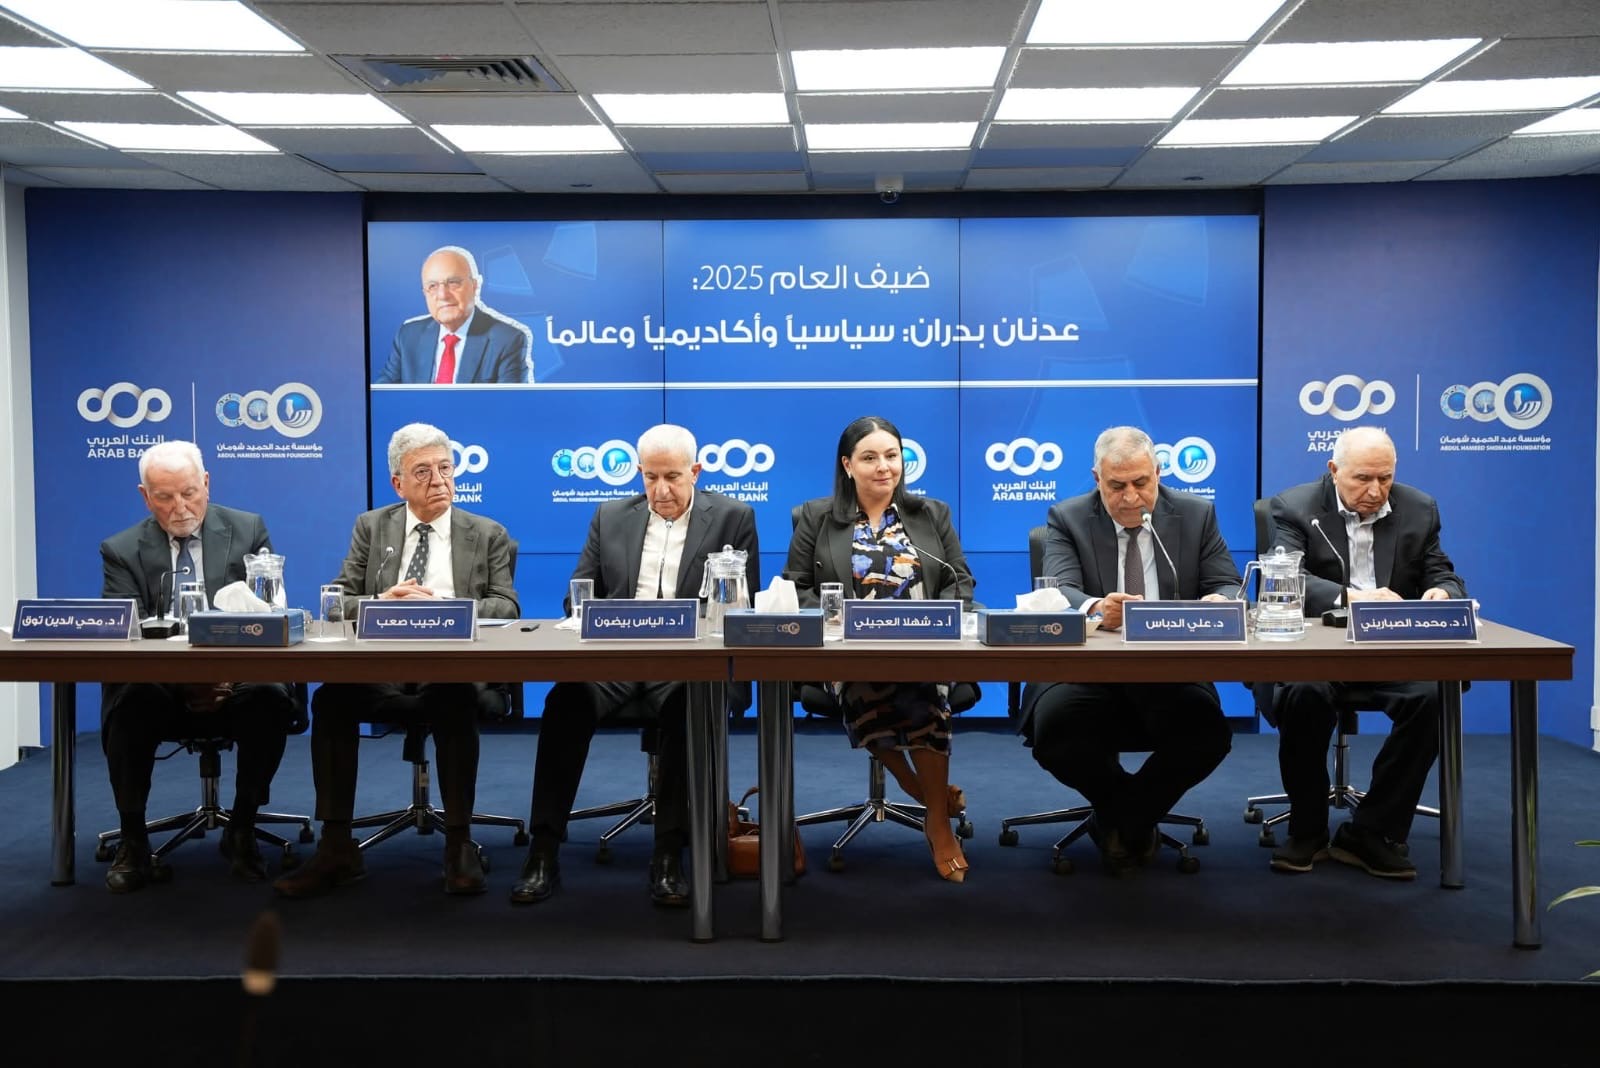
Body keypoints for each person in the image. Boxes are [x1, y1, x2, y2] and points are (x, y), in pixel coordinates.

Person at [513, 424, 759, 908]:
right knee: (565, 701)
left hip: (689, 664)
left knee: (690, 703)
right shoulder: (610, 516)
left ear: (696, 471)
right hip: (616, 661)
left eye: (672, 477)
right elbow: (576, 596)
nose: (661, 490)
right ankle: (543, 850)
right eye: (650, 477)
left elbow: (741, 606)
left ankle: (668, 854)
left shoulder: (733, 517)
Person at [273, 423, 520, 898]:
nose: (438, 481)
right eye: (422, 472)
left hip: (450, 669)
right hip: (380, 671)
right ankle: (336, 846)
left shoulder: (487, 533)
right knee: (332, 700)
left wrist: (445, 607)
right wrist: (381, 601)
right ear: (397, 484)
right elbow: (337, 602)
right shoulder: (372, 528)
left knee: (454, 698)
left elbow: (507, 608)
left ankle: (459, 843)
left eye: (445, 468)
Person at [1014, 425, 1238, 876]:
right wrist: (1097, 607)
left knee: (1207, 734)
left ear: (1158, 473)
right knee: (1055, 732)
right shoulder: (1068, 517)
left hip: (1169, 671)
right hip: (1084, 672)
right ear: (1097, 478)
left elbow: (1226, 582)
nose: (1131, 497)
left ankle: (1122, 821)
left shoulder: (1196, 514)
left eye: (1141, 482)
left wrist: (1221, 599)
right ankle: (1135, 820)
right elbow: (1058, 591)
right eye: (1117, 486)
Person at [1265, 425, 1466, 879]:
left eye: (1385, 478)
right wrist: (1353, 597)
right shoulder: (1296, 508)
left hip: (1389, 650)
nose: (1375, 491)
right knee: (1303, 693)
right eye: (1362, 479)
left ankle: (1373, 832)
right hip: (1319, 651)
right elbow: (1285, 579)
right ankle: (1307, 829)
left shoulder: (1419, 509)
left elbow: (1442, 571)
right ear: (1334, 470)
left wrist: (1441, 592)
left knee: (1433, 697)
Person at [98, 441, 299, 892]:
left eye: (189, 493)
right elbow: (127, 634)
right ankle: (133, 839)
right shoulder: (121, 550)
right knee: (132, 699)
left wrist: (222, 676)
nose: (180, 507)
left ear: (206, 484)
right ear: (145, 496)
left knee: (268, 695)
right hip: (161, 686)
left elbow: (267, 615)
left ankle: (242, 826)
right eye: (165, 497)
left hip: (236, 680)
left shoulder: (247, 530)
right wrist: (184, 681)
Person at [784, 415, 976, 883]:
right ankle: (926, 798)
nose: (884, 466)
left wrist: (939, 620)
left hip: (923, 648)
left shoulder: (930, 514)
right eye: (869, 457)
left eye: (892, 456)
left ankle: (934, 818)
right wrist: (835, 620)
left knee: (922, 687)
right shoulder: (816, 517)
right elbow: (796, 588)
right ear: (848, 465)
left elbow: (959, 582)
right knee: (864, 683)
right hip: (846, 651)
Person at [375, 245, 533, 384]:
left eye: (453, 283)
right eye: (432, 286)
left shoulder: (507, 340)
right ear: (425, 293)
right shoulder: (408, 336)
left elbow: (510, 404)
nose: (442, 295)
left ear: (475, 286)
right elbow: (383, 397)